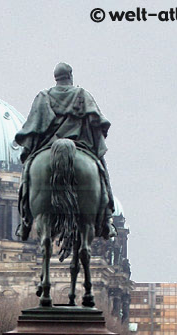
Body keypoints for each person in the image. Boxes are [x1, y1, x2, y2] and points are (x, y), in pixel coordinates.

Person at [15, 62, 117, 241]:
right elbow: (97, 122)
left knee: (26, 175)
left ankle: (24, 222)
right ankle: (107, 220)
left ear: (56, 78)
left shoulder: (43, 97)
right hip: (80, 144)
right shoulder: (82, 95)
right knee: (101, 169)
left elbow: (33, 127)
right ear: (70, 76)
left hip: (48, 146)